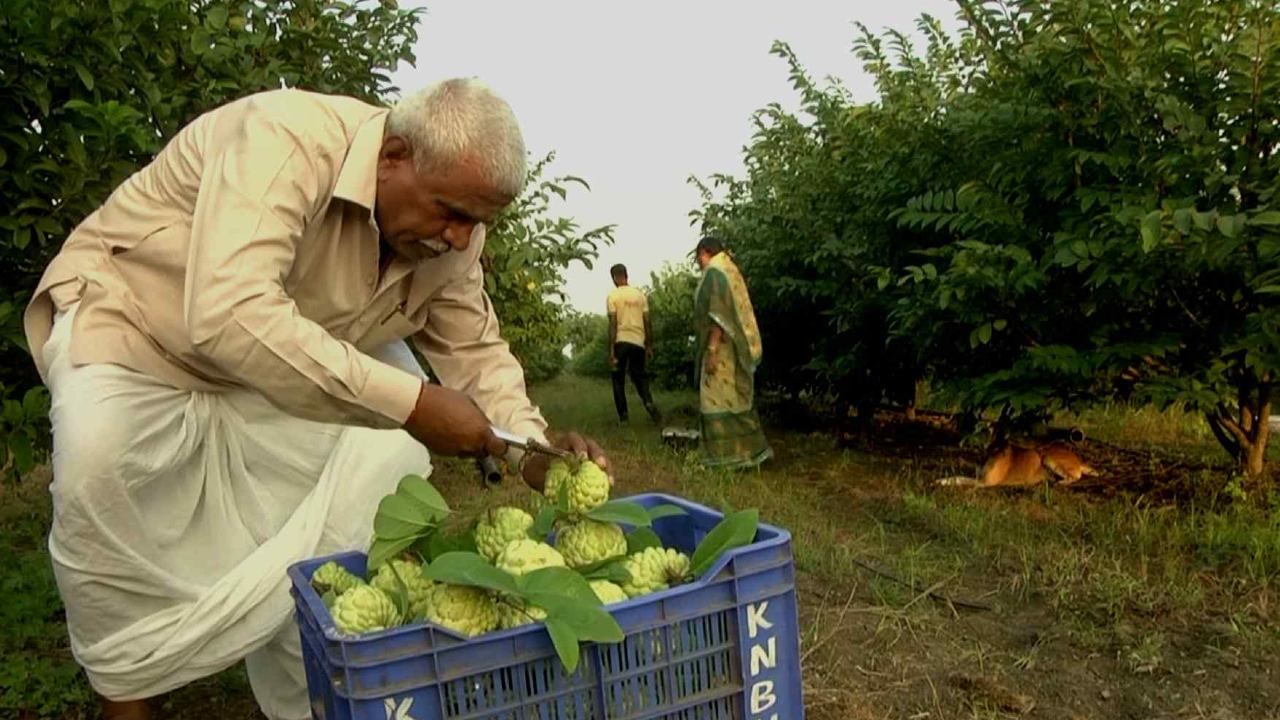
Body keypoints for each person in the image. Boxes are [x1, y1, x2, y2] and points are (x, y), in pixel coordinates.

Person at [22, 79, 610, 720]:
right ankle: (129, 692)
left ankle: (309, 685)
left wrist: (534, 448)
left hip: (278, 364)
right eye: (451, 212)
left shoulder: (453, 239)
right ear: (394, 156)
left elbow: (475, 353)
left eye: (479, 222)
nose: (462, 238)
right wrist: (413, 406)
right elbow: (228, 314)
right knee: (99, 467)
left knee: (384, 462)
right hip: (137, 322)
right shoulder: (286, 139)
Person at [693, 236, 772, 469]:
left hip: (721, 348)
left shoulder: (715, 272)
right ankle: (750, 452)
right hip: (736, 347)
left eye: (698, 258)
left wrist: (712, 350)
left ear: (703, 252)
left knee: (715, 401)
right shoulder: (730, 269)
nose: (698, 263)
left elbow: (718, 315)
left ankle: (723, 458)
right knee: (737, 399)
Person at [606, 263, 660, 423]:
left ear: (614, 278)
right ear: (626, 275)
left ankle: (624, 417)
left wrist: (611, 350)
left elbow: (613, 324)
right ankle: (649, 403)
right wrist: (649, 345)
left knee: (618, 379)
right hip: (638, 342)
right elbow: (647, 322)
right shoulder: (640, 295)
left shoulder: (613, 296)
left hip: (621, 341)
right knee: (640, 377)